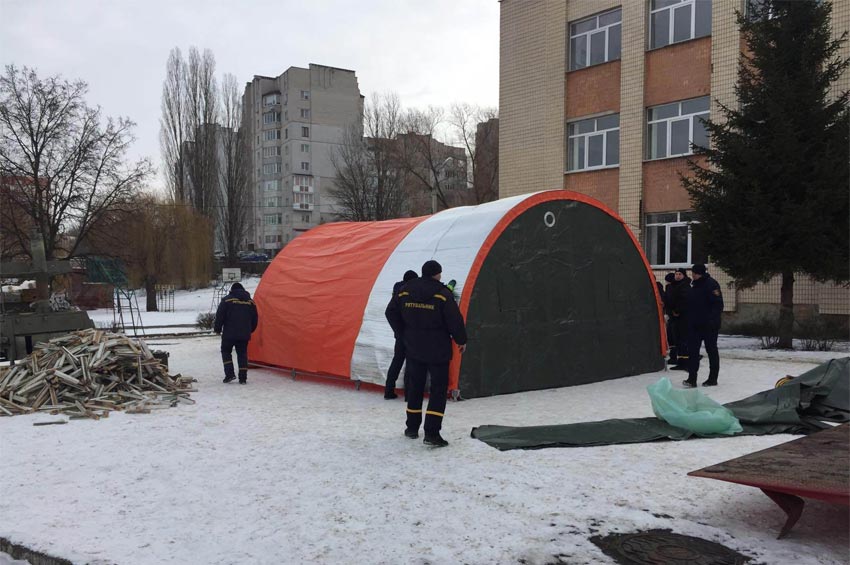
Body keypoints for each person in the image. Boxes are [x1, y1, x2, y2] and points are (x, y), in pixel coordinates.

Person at [385, 260, 468, 447]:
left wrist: (402, 333)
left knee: (415, 387)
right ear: (437, 274)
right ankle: (431, 433)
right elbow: (454, 319)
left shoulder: (405, 290)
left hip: (413, 347)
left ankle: (412, 428)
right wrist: (461, 340)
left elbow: (390, 312)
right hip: (438, 349)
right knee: (438, 390)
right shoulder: (443, 294)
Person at [683, 264, 723, 388]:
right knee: (693, 351)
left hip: (709, 326)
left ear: (698, 273)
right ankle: (692, 378)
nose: (692, 275)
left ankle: (712, 378)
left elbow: (718, 305)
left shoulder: (711, 284)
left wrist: (711, 321)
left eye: (693, 273)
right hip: (695, 325)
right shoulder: (694, 285)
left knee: (711, 350)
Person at [214, 282, 259, 384]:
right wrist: (250, 329)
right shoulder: (251, 302)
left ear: (232, 290)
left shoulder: (226, 300)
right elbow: (255, 318)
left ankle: (230, 374)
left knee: (226, 351)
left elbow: (220, 315)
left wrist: (217, 328)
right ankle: (243, 378)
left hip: (229, 334)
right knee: (242, 354)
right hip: (244, 334)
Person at [384, 269, 419, 399]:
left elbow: (389, 313)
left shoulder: (397, 293)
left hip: (400, 334)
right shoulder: (410, 293)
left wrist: (397, 330)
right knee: (411, 363)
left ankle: (388, 391)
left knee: (397, 361)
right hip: (411, 333)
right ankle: (409, 394)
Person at [667, 268, 692, 371]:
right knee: (677, 340)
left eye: (680, 274)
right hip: (674, 317)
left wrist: (677, 310)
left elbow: (684, 300)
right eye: (676, 274)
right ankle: (680, 361)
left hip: (683, 317)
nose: (677, 276)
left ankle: (685, 362)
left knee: (683, 340)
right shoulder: (672, 286)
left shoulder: (685, 286)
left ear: (684, 275)